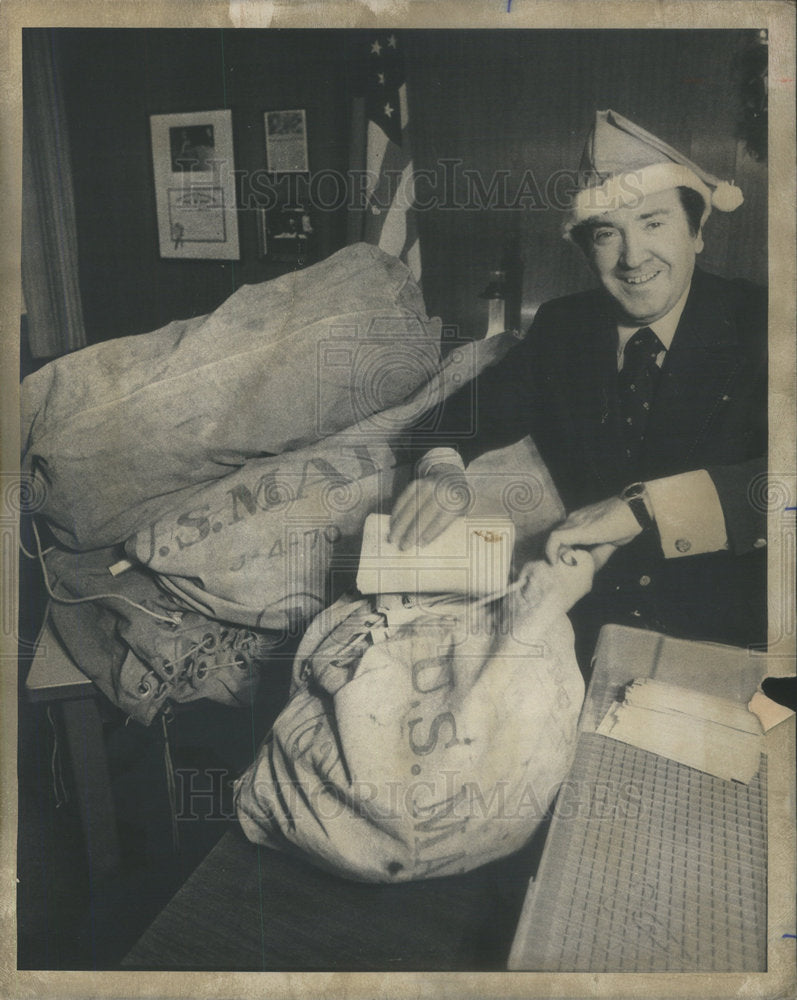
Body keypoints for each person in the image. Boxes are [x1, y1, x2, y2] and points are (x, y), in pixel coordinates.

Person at [390, 109, 767, 669]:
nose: (633, 257)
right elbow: (451, 419)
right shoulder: (565, 329)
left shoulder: (764, 322)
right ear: (586, 248)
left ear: (699, 231)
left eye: (655, 223)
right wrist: (443, 469)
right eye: (608, 232)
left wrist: (646, 508)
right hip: (585, 632)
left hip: (731, 640)